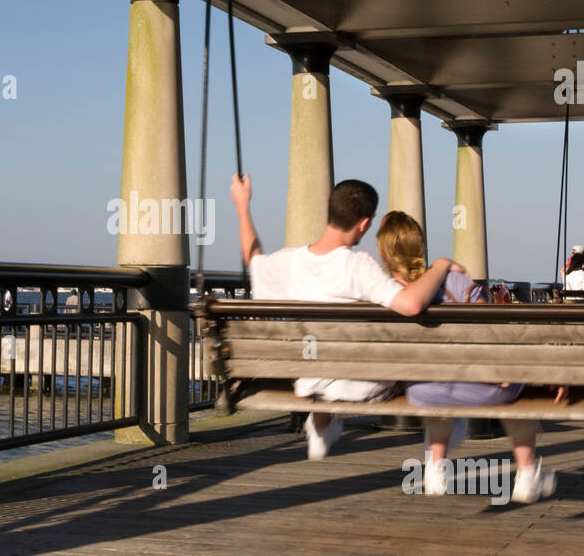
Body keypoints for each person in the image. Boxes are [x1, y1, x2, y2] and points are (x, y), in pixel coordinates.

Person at [230, 174, 466, 461]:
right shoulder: (359, 265)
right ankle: (437, 453)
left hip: (309, 380)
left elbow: (251, 258)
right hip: (363, 387)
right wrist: (441, 265)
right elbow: (412, 305)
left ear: (329, 208)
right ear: (364, 224)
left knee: (318, 352)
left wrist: (243, 206)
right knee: (419, 357)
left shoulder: (286, 262)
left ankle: (320, 420)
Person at [377, 211, 561, 504]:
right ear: (420, 246)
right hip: (482, 391)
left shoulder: (387, 293)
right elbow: (493, 336)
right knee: (522, 396)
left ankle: (435, 468)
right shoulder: (456, 282)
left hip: (423, 393)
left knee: (436, 381)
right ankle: (527, 475)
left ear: (383, 254)